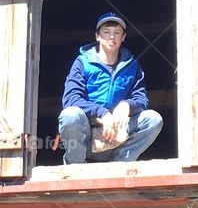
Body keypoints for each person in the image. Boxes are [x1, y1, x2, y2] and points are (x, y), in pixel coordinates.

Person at [57, 12, 163, 164]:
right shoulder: (83, 62)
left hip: (119, 135)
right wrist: (103, 113)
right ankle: (76, 167)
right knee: (70, 115)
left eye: (117, 33)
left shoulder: (132, 65)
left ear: (123, 38)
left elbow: (141, 99)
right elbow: (71, 99)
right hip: (87, 135)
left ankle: (119, 165)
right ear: (97, 36)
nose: (111, 37)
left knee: (153, 119)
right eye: (106, 32)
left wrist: (127, 105)